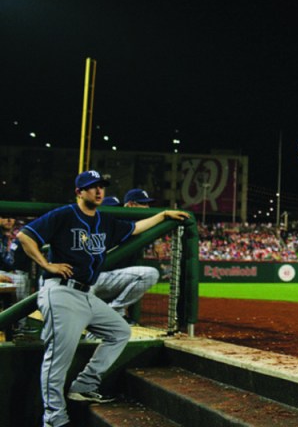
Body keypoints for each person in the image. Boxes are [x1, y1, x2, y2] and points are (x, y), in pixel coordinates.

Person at [16, 170, 189, 427]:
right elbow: (24, 235)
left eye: (101, 187)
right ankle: (54, 419)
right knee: (57, 360)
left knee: (119, 331)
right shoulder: (64, 215)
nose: (99, 191)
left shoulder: (104, 221)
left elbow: (135, 228)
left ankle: (84, 384)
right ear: (79, 192)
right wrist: (46, 264)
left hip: (87, 294)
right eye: (92, 187)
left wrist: (163, 215)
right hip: (61, 291)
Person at [91, 188, 161, 324]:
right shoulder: (116, 223)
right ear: (130, 205)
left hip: (108, 280)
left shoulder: (124, 224)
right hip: (89, 282)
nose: (147, 207)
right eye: (143, 203)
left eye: (147, 204)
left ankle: (113, 313)